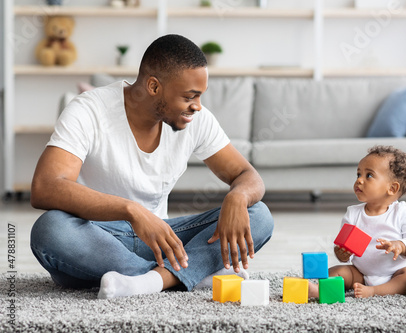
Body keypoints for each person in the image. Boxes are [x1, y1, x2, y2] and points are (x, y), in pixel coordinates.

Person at [29, 34, 274, 299]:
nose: (197, 106)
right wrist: (132, 210)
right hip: (98, 240)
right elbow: (46, 186)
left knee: (259, 214)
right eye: (189, 96)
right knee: (50, 229)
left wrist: (237, 196)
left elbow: (247, 176)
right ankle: (188, 275)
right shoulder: (89, 110)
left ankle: (148, 281)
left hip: (163, 242)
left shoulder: (196, 119)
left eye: (200, 96)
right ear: (154, 87)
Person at [309, 145, 406, 299]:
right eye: (358, 174)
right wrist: (342, 254)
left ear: (392, 188)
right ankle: (318, 290)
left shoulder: (401, 213)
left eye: (368, 175)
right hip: (362, 274)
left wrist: (400, 245)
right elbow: (344, 251)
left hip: (395, 273)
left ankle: (374, 291)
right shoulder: (353, 214)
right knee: (339, 271)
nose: (359, 180)